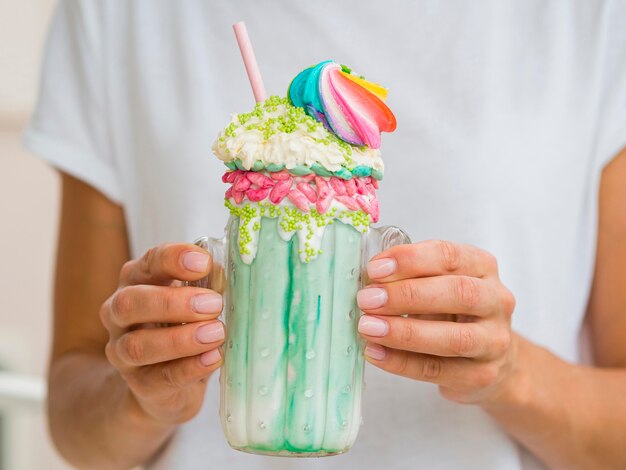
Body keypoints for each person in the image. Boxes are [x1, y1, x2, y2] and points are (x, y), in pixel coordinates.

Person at [24, 1, 626, 469]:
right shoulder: (118, 12)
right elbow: (74, 418)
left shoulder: (590, 18)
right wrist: (140, 394)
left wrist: (513, 372)